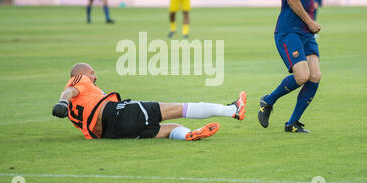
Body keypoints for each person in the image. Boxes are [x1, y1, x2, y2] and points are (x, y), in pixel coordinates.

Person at [52, 63, 248, 140]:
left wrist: (65, 107)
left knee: (171, 129)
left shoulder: (73, 111)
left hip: (112, 134)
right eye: (92, 73)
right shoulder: (79, 81)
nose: (95, 76)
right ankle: (232, 109)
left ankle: (188, 134)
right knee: (179, 108)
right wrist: (62, 102)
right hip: (117, 113)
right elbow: (68, 91)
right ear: (82, 74)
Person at [258, 0, 322, 133]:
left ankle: (292, 123)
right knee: (302, 75)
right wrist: (311, 22)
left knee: (315, 76)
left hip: (304, 33)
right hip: (290, 30)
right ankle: (267, 101)